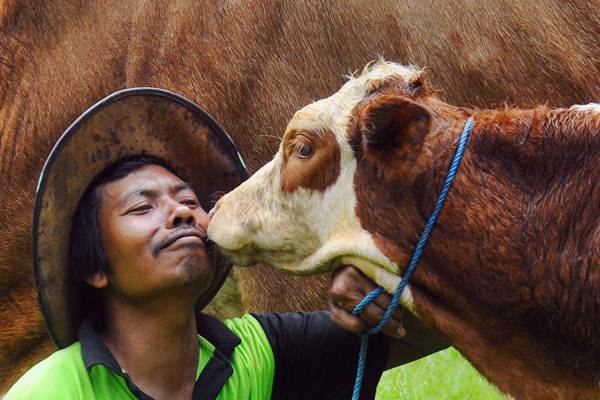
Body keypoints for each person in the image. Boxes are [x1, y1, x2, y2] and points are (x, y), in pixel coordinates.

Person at [6, 88, 446, 399]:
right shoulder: (51, 392)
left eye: (189, 200)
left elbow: (439, 326)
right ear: (93, 268)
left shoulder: (258, 355)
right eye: (142, 208)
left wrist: (380, 296)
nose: (181, 212)